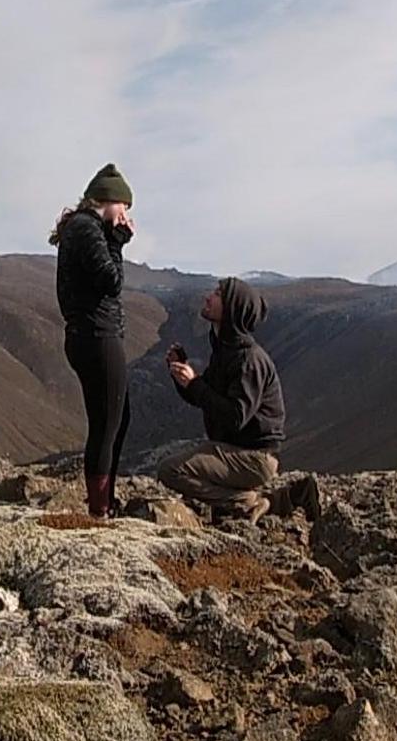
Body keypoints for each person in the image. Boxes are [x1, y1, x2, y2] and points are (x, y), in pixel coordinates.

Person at [159, 276, 285, 522]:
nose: (209, 297)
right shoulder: (227, 352)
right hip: (238, 453)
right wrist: (183, 376)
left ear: (232, 310)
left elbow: (235, 416)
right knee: (177, 466)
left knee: (170, 470)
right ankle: (238, 498)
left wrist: (195, 383)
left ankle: (247, 502)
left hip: (253, 459)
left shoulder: (249, 360)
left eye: (218, 294)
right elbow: (205, 398)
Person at [50, 163, 135, 518]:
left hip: (92, 336)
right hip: (97, 337)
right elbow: (110, 281)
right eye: (125, 207)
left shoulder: (82, 227)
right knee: (107, 423)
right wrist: (117, 243)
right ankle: (99, 510)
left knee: (116, 417)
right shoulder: (87, 229)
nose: (126, 215)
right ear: (111, 200)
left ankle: (104, 502)